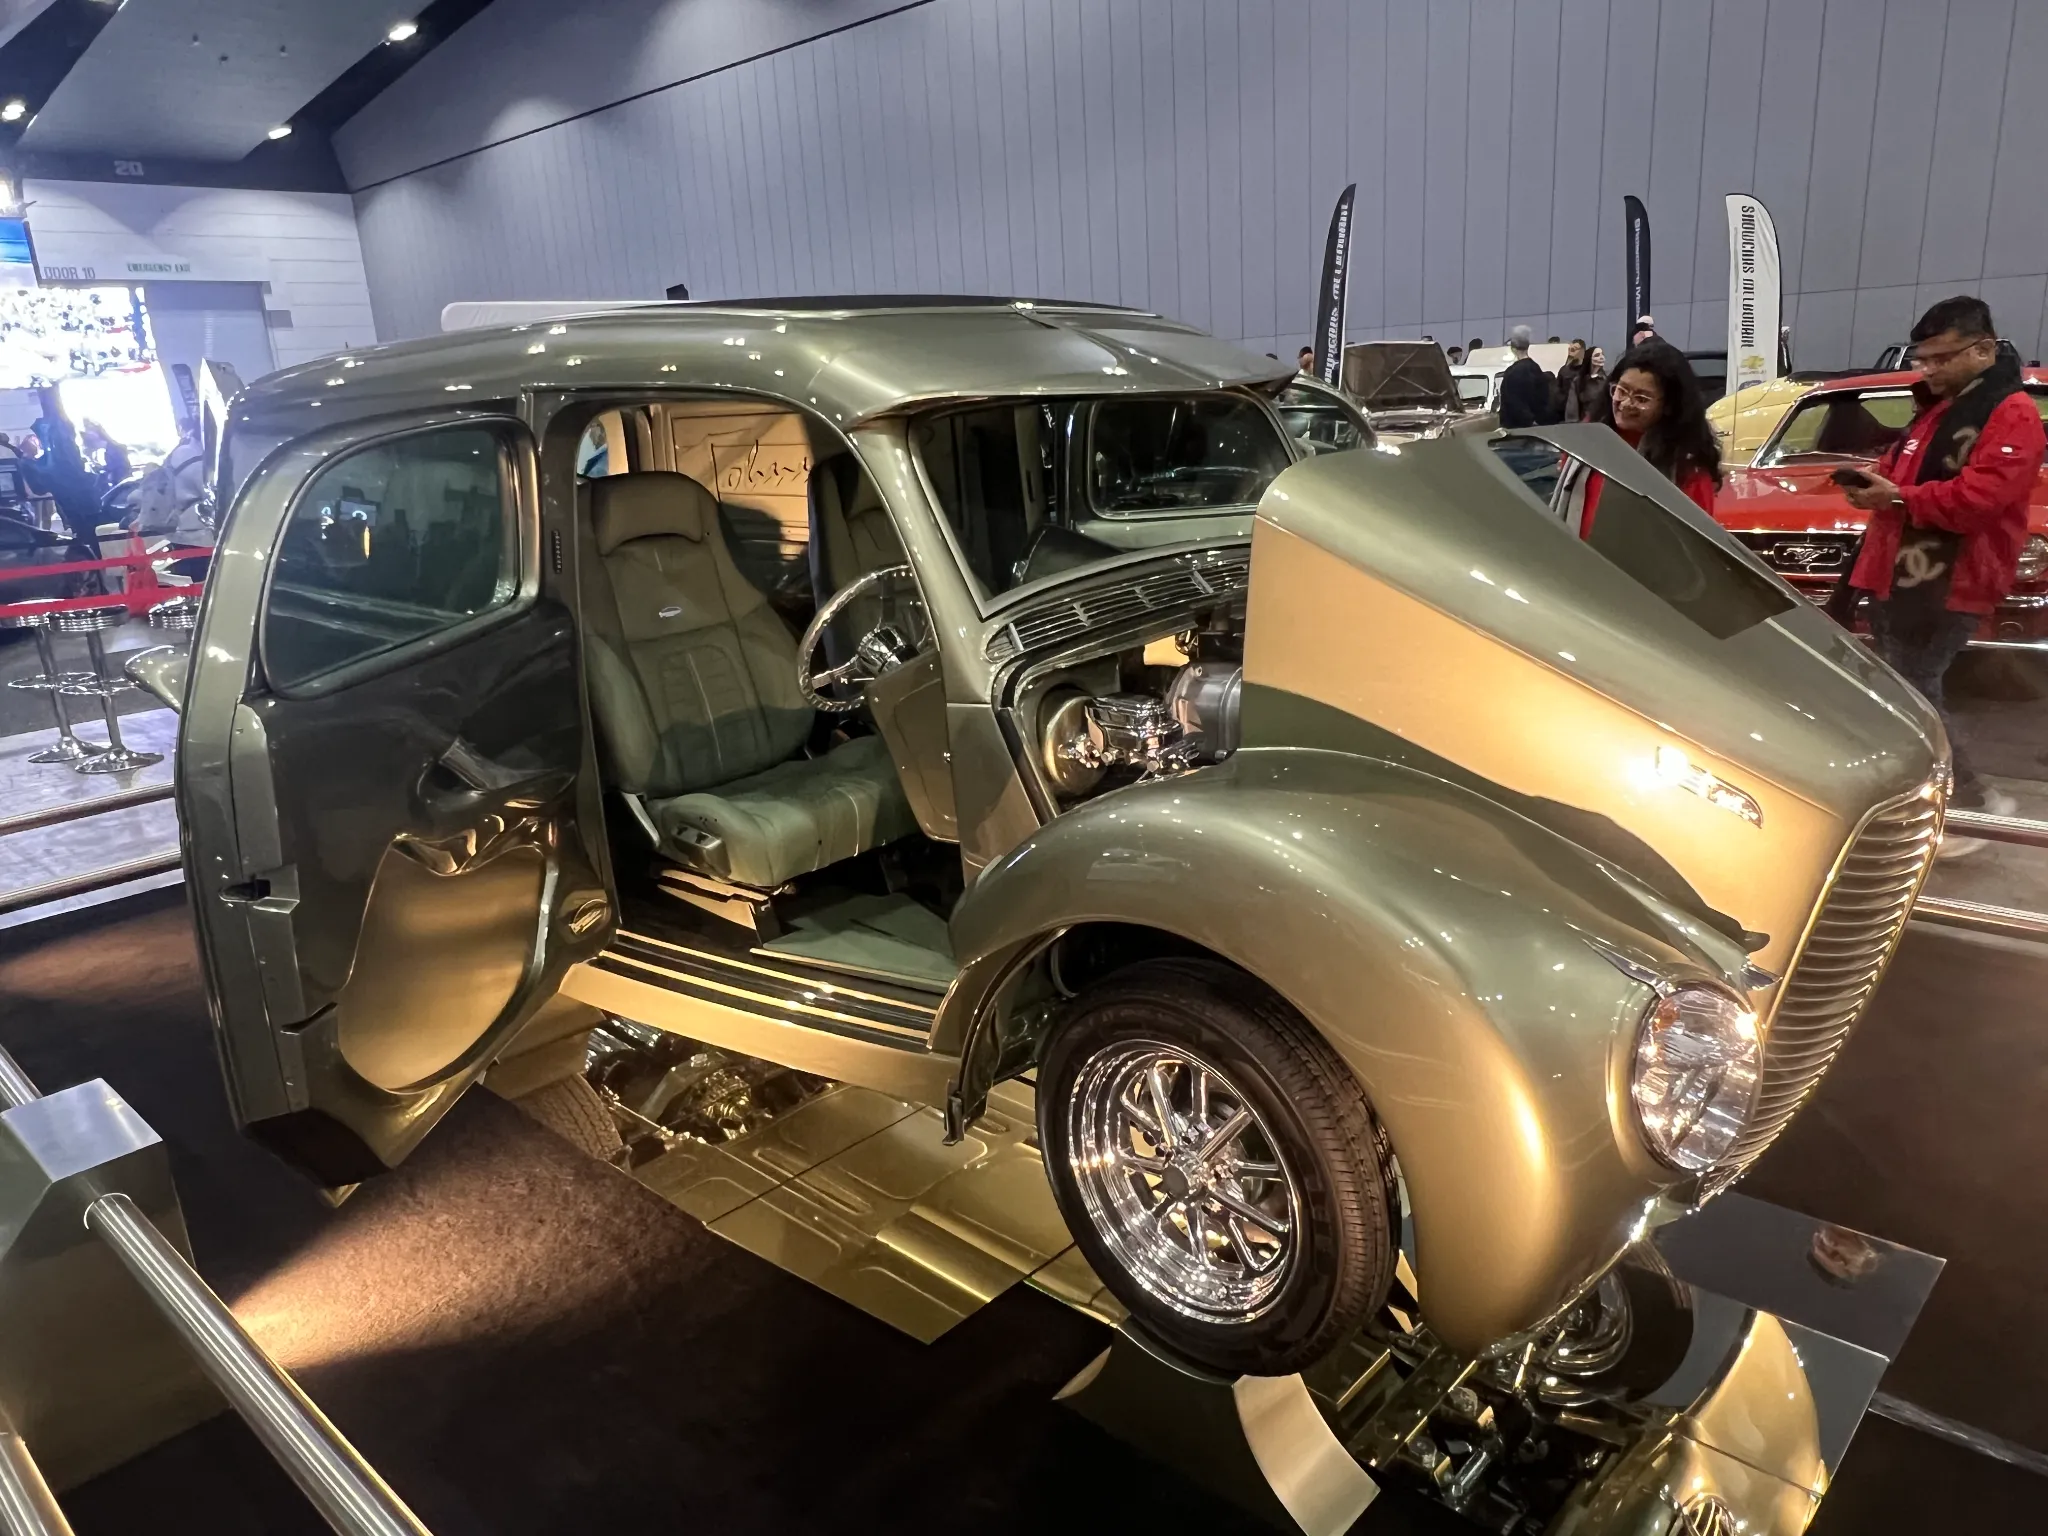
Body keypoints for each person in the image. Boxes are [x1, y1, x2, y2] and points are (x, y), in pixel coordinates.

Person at [1836, 295, 2039, 830]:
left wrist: (1896, 497)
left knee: (1915, 693)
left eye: (1942, 358)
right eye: (1923, 359)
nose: (1929, 369)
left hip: (1950, 582)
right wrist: (1874, 487)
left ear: (1984, 349)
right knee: (1907, 692)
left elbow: (1978, 500)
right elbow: (1898, 470)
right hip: (1894, 574)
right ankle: (1941, 799)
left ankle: (1967, 802)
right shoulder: (1938, 410)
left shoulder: (2011, 413)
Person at [1570, 338, 1720, 521]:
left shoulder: (1687, 469)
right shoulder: (1588, 437)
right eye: (1621, 391)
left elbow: (1697, 544)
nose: (1625, 404)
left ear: (1669, 406)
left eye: (1641, 399)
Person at [1496, 325, 1559, 429]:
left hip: (1515, 428)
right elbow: (1543, 399)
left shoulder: (1511, 372)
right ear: (1528, 346)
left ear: (1512, 348)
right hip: (1537, 427)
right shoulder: (1536, 369)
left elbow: (1511, 404)